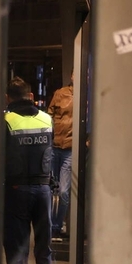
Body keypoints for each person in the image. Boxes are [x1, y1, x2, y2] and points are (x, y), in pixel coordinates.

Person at [2, 77, 57, 264]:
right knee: (44, 250)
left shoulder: (5, 121)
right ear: (31, 95)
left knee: (17, 252)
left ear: (8, 97)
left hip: (16, 191)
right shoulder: (46, 119)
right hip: (44, 190)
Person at [47, 80, 73, 238]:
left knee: (63, 191)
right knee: (49, 189)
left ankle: (56, 225)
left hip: (70, 148)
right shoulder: (60, 93)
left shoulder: (87, 95)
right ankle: (48, 224)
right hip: (54, 145)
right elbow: (50, 114)